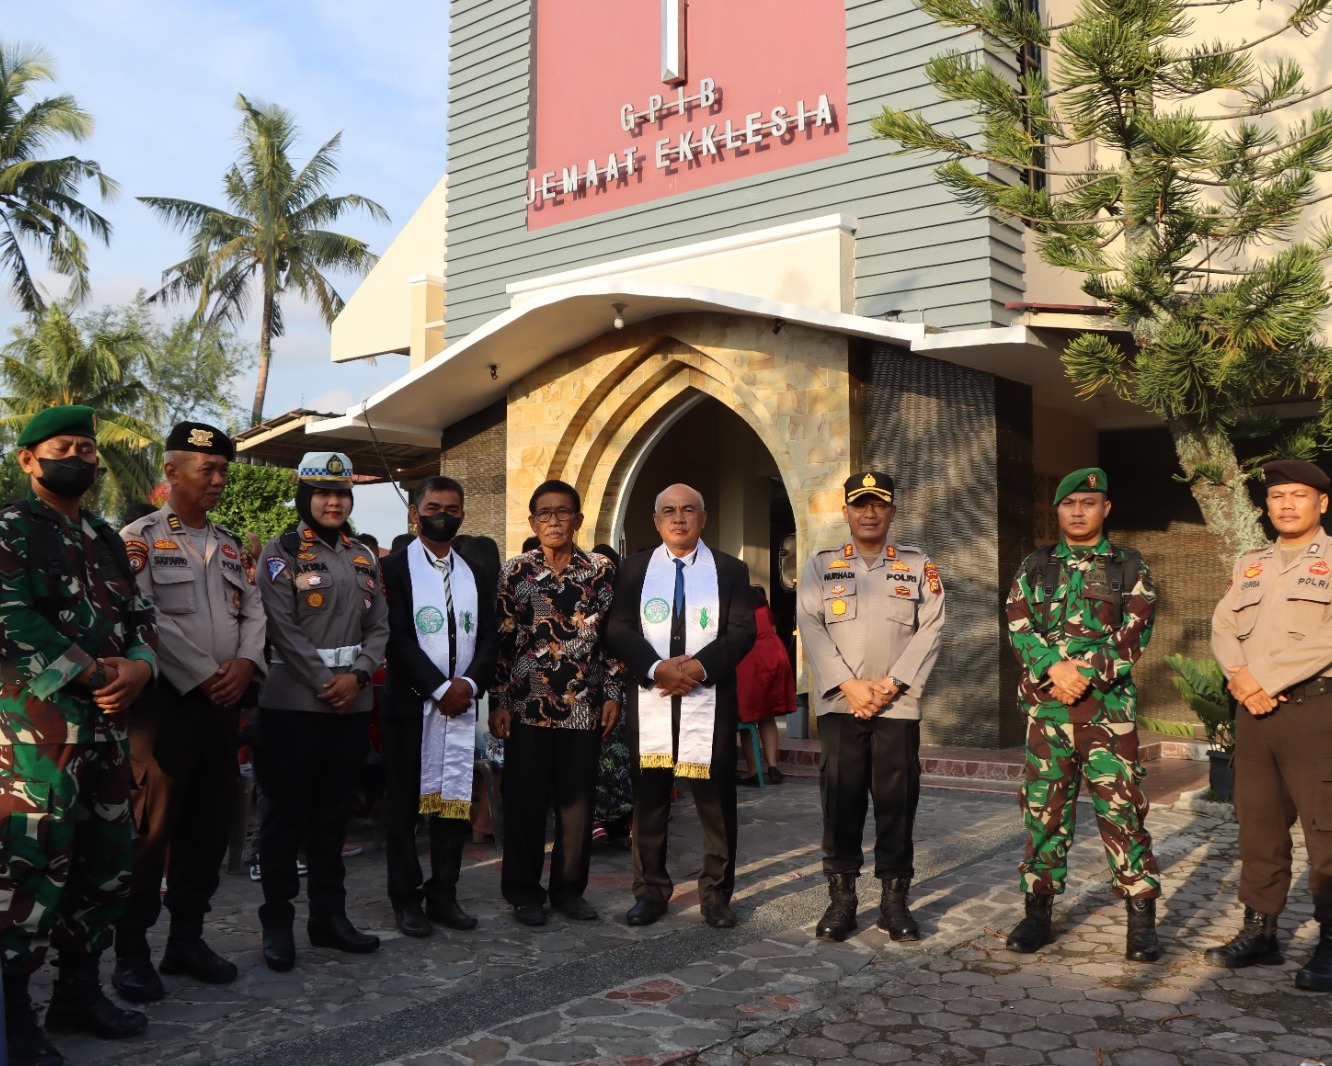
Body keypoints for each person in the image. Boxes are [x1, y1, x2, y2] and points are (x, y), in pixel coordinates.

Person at [0, 405, 158, 1066]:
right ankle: (14, 1018)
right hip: (37, 744)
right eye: (66, 447)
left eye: (89, 450)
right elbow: (10, 618)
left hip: (107, 737)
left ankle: (77, 993)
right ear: (29, 460)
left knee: (103, 868)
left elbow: (137, 619)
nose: (82, 458)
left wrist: (141, 667)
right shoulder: (11, 528)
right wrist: (94, 671)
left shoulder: (104, 535)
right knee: (29, 876)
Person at [111, 422, 266, 1003]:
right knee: (153, 831)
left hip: (223, 706)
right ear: (172, 472)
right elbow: (145, 613)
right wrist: (205, 673)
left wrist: (247, 664)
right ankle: (131, 952)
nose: (220, 480)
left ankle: (187, 939)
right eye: (209, 471)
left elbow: (253, 611)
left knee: (207, 823)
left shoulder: (228, 544)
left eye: (224, 470)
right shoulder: (140, 538)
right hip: (167, 707)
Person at [1003, 467, 1162, 962]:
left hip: (1108, 714)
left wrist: (1084, 673)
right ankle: (1038, 914)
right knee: (1044, 813)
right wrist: (1055, 667)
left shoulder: (1128, 566)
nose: (1078, 512)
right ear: (1058, 510)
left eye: (1089, 503)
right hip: (1048, 712)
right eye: (1070, 504)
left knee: (1122, 812)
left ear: (1105, 509)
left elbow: (1136, 630)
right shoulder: (1035, 565)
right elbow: (1018, 624)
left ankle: (1140, 917)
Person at [253, 452, 389, 971]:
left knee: (334, 818)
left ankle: (328, 918)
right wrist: (321, 681)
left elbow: (380, 624)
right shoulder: (280, 552)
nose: (334, 502)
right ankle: (278, 923)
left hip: (351, 705)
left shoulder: (363, 556)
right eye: (323, 493)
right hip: (294, 706)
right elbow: (281, 626)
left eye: (343, 493)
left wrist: (356, 676)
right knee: (284, 818)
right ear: (304, 497)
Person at [796, 472, 945, 943]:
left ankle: (894, 902)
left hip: (897, 706)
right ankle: (842, 902)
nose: (869, 512)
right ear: (846, 512)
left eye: (879, 504)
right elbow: (811, 626)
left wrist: (890, 684)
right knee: (839, 801)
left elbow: (931, 628)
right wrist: (850, 686)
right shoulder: (820, 566)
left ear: (892, 512)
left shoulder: (918, 565)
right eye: (860, 505)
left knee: (897, 804)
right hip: (842, 706)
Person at [607, 484, 756, 928]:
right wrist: (657, 669)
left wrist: (695, 670)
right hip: (652, 698)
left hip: (707, 701)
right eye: (668, 510)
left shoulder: (730, 569)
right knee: (650, 800)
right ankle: (650, 892)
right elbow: (618, 630)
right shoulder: (633, 570)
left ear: (702, 518)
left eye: (688, 509)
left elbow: (742, 632)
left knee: (715, 803)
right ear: (656, 522)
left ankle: (715, 895)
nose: (678, 517)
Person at [1207, 459, 1332, 991]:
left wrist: (1260, 676)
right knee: (1257, 825)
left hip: (1315, 711)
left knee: (1326, 830)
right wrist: (1241, 679)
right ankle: (1261, 932)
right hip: (1253, 714)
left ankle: (1331, 942)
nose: (1287, 504)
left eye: (1298, 495)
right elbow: (1223, 623)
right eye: (1278, 496)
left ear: (1321, 503)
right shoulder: (1251, 563)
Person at [490, 480, 623, 925]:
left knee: (576, 807)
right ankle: (524, 893)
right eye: (544, 513)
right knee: (525, 805)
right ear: (532, 522)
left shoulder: (601, 570)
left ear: (578, 520)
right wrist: (499, 700)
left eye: (562, 512)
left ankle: (569, 890)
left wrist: (613, 694)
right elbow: (504, 642)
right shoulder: (515, 572)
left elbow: (612, 641)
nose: (553, 521)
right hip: (527, 707)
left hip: (584, 707)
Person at [379, 476, 499, 938]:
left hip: (460, 705)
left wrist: (468, 683)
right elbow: (395, 637)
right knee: (404, 808)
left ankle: (444, 893)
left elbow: (489, 635)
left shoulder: (472, 571)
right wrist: (436, 687)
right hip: (411, 706)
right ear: (414, 512)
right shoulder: (393, 568)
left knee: (452, 804)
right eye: (433, 506)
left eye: (452, 507)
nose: (442, 514)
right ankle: (405, 899)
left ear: (463, 515)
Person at [736, 584, 797, 786]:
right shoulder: (762, 605)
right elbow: (773, 629)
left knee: (747, 717)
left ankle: (754, 771)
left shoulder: (736, 603)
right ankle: (773, 767)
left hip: (750, 657)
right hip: (774, 655)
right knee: (767, 715)